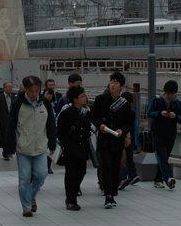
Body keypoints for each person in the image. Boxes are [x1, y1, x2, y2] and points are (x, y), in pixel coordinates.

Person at [3, 75, 56, 217]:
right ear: (25, 89)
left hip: (40, 146)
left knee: (41, 174)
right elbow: (11, 126)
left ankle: (31, 195)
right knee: (25, 177)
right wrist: (8, 148)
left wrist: (52, 142)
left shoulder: (44, 102)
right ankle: (26, 206)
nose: (34, 93)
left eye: (37, 90)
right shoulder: (17, 104)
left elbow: (50, 124)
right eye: (31, 90)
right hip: (23, 147)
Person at [91, 71, 134, 209]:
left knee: (116, 168)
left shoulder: (125, 105)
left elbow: (128, 124)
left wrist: (123, 131)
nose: (112, 85)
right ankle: (108, 195)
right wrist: (100, 125)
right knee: (107, 166)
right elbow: (94, 117)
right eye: (111, 82)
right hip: (104, 140)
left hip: (117, 141)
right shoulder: (100, 100)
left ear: (121, 86)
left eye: (116, 83)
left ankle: (112, 194)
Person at [56, 85, 91, 210]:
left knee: (82, 172)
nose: (84, 98)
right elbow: (60, 133)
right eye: (82, 96)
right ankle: (71, 200)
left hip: (82, 149)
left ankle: (73, 193)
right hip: (71, 149)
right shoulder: (66, 113)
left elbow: (87, 130)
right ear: (75, 99)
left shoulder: (85, 113)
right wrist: (68, 145)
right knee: (71, 174)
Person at [147, 80, 181, 190]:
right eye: (169, 93)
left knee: (165, 156)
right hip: (158, 133)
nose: (170, 96)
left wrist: (175, 116)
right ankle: (168, 178)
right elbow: (150, 113)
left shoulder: (177, 103)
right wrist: (160, 113)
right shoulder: (157, 100)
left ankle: (157, 179)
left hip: (171, 134)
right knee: (162, 156)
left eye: (172, 94)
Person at [118, 91, 140, 190]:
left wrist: (135, 141)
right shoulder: (117, 111)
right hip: (120, 138)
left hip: (129, 138)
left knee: (129, 157)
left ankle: (132, 176)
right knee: (121, 159)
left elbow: (133, 127)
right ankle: (123, 178)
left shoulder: (132, 111)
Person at [0, 82, 14, 160]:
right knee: (5, 137)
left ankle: (8, 151)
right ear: (4, 88)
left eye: (11, 87)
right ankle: (6, 153)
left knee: (10, 137)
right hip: (3, 121)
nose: (10, 88)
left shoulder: (13, 98)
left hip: (11, 120)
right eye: (8, 87)